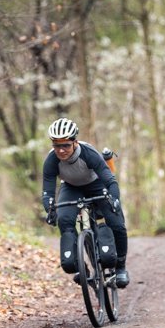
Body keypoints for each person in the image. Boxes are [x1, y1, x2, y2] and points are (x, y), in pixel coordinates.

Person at [41, 117, 130, 288]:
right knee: (64, 219)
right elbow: (48, 192)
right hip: (71, 187)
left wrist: (115, 201)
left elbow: (110, 181)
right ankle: (79, 267)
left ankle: (120, 268)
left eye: (65, 145)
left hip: (96, 184)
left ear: (74, 142)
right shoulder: (51, 160)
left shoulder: (88, 153)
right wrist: (50, 209)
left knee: (116, 223)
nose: (61, 150)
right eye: (56, 145)